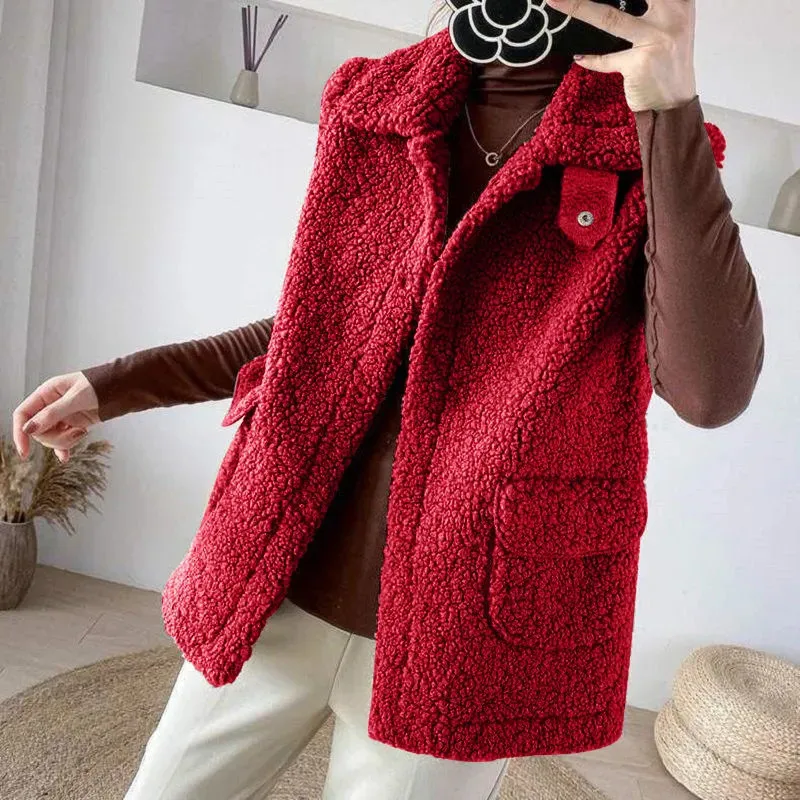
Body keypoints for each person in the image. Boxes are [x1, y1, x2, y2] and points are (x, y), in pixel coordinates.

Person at [12, 1, 764, 798]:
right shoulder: (375, 106)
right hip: (279, 579)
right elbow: (324, 327)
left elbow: (710, 390)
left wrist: (670, 110)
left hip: (466, 628)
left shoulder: (648, 148)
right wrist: (118, 383)